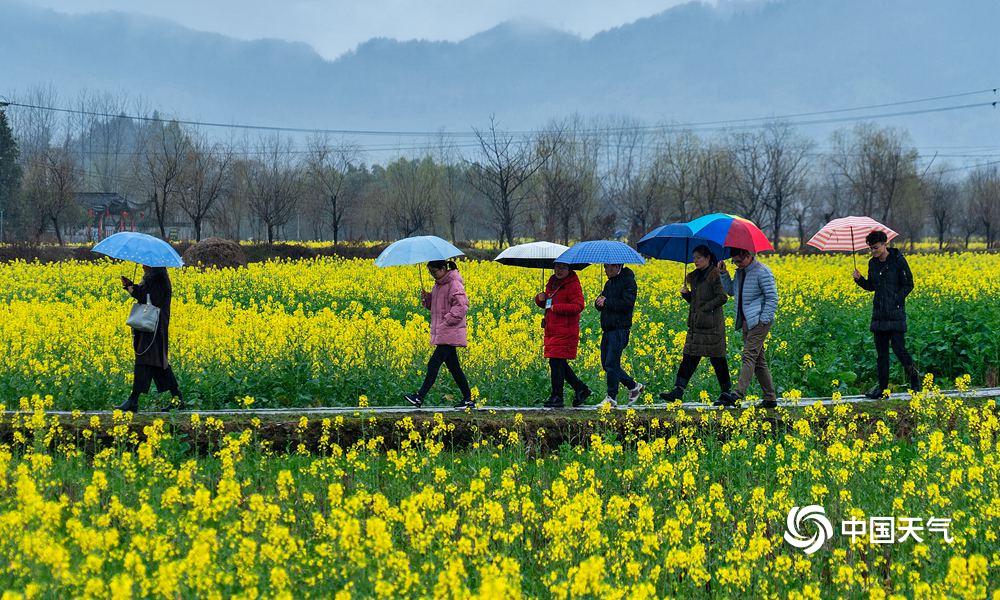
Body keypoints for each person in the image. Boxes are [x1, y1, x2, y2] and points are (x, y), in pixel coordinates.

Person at [660, 245, 733, 406]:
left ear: (708, 258)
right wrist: (687, 295)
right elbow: (696, 301)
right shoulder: (695, 276)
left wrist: (705, 308)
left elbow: (722, 297)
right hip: (697, 324)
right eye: (694, 258)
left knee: (718, 359)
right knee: (689, 357)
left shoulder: (715, 275)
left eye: (699, 257)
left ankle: (726, 393)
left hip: (712, 326)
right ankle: (678, 390)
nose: (695, 261)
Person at [853, 230, 920, 398]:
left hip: (895, 313)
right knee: (881, 355)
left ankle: (915, 380)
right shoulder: (872, 263)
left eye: (875, 247)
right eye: (870, 248)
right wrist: (860, 280)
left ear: (885, 244)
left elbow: (909, 284)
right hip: (879, 315)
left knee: (899, 349)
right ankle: (882, 390)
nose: (873, 251)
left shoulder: (898, 260)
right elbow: (872, 286)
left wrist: (896, 299)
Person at [404, 260, 474, 409]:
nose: (432, 275)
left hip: (450, 330)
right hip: (444, 331)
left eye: (434, 272)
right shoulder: (438, 285)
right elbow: (437, 307)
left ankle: (419, 397)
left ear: (443, 268)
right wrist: (428, 299)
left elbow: (462, 306)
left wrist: (447, 320)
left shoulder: (454, 283)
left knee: (433, 363)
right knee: (454, 368)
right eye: (430, 272)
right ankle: (468, 399)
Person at [116, 265, 183, 413]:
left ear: (153, 265)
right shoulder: (154, 277)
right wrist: (131, 286)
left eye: (145, 264)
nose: (142, 265)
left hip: (155, 327)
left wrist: (133, 289)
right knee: (157, 364)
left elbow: (152, 299)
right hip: (151, 326)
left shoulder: (159, 278)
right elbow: (146, 295)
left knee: (146, 361)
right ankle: (177, 399)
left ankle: (133, 400)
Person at [718, 247, 779, 408]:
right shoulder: (740, 272)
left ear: (748, 255)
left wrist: (763, 320)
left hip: (759, 321)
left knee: (748, 356)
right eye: (734, 262)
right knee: (758, 360)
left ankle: (738, 394)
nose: (737, 264)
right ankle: (770, 398)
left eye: (739, 261)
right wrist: (724, 273)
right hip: (747, 322)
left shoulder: (762, 272)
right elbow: (731, 291)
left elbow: (772, 298)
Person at [535, 262, 591, 408]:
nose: (559, 270)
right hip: (552, 328)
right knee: (557, 362)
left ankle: (557, 396)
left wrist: (557, 308)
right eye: (557, 267)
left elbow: (578, 306)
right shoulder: (552, 282)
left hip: (565, 329)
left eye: (563, 267)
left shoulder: (572, 284)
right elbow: (548, 303)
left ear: (569, 269)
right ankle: (580, 389)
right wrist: (540, 299)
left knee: (556, 362)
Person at [595, 263, 644, 407]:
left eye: (609, 267)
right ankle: (634, 386)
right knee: (606, 364)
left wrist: (607, 302)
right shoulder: (609, 283)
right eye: (605, 267)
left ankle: (611, 397)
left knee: (611, 363)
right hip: (608, 329)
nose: (606, 270)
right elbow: (602, 303)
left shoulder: (628, 281)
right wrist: (598, 302)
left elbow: (627, 303)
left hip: (620, 329)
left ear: (618, 266)